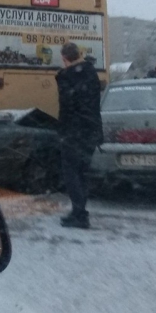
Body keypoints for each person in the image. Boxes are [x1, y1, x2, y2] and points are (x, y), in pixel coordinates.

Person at [55, 42, 103, 229]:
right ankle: (80, 211)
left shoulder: (66, 77)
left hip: (74, 132)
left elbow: (67, 107)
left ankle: (79, 214)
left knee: (71, 173)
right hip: (91, 130)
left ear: (64, 58)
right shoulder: (91, 73)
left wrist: (63, 131)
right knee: (82, 172)